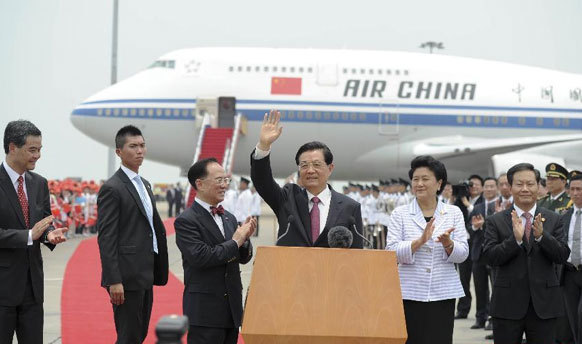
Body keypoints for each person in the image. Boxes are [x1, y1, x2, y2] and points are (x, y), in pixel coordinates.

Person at [483, 162, 570, 344]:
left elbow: (562, 255)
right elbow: (490, 257)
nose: (525, 189)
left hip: (544, 305)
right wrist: (515, 240)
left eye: (530, 184)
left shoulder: (554, 219)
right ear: (510, 186)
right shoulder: (495, 221)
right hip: (507, 305)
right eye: (519, 184)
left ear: (538, 186)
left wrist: (541, 237)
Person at [386, 155, 469, 344]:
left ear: (439, 183)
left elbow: (463, 253)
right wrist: (419, 241)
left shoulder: (453, 212)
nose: (419, 184)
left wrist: (448, 244)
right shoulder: (400, 213)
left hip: (443, 292)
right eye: (415, 179)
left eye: (425, 179)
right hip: (409, 291)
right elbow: (391, 252)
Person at [97, 125, 169, 343]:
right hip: (126, 277)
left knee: (140, 334)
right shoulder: (113, 188)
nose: (140, 151)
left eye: (142, 145)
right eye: (133, 146)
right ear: (119, 152)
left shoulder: (144, 184)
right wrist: (114, 280)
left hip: (145, 272)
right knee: (128, 336)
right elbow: (107, 237)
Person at [250, 110, 363, 248]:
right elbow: (262, 181)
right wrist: (263, 146)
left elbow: (357, 253)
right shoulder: (287, 198)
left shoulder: (350, 207)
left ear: (330, 168)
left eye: (316, 164)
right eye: (304, 165)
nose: (310, 170)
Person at [0, 120, 69, 344]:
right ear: (12, 147)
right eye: (32, 150)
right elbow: (30, 231)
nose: (37, 155)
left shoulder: (39, 183)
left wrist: (49, 234)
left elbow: (43, 220)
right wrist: (29, 235)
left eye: (39, 149)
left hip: (32, 289)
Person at [174, 158, 255, 344]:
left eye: (226, 180)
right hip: (205, 312)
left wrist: (244, 241)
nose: (224, 185)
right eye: (219, 180)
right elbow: (201, 257)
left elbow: (242, 258)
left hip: (231, 310)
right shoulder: (187, 220)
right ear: (200, 184)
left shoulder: (229, 217)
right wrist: (236, 241)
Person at [468, 177, 498, 330]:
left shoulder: (501, 206)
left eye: (492, 186)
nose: (489, 189)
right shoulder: (478, 207)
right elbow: (469, 226)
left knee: (496, 288)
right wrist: (474, 227)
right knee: (480, 288)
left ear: (497, 188)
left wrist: (484, 224)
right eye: (487, 186)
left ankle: (494, 319)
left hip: (494, 253)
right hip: (478, 252)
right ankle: (480, 317)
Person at [558, 170, 582, 344]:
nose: (575, 193)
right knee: (572, 316)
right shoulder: (565, 216)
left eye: (580, 189)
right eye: (572, 189)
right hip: (569, 273)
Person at [455, 174, 485, 319]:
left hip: (478, 244)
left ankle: (482, 313)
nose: (473, 188)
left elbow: (481, 215)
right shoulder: (461, 200)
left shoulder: (483, 201)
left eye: (476, 185)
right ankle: (462, 309)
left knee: (480, 283)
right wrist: (458, 199)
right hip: (464, 243)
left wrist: (468, 204)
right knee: (463, 279)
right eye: (470, 185)